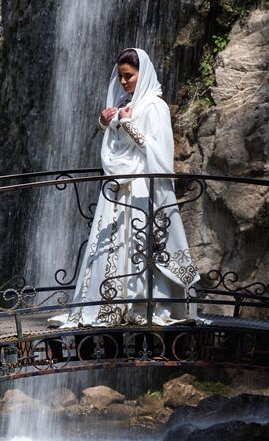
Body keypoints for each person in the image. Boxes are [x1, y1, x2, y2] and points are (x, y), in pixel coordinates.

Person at [51, 48, 199, 328]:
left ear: (142, 75)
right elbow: (116, 144)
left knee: (141, 243)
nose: (123, 82)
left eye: (128, 76)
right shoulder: (124, 102)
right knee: (114, 243)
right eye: (120, 76)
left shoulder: (156, 106)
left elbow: (159, 151)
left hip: (143, 187)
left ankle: (142, 305)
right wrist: (106, 122)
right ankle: (107, 304)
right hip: (118, 187)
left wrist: (128, 124)